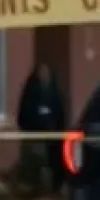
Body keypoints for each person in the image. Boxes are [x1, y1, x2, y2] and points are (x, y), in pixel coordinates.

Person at [16, 60, 67, 192]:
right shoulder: (31, 91)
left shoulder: (54, 92)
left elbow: (60, 112)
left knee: (55, 160)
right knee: (35, 162)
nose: (44, 76)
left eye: (46, 73)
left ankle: (54, 186)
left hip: (52, 136)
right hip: (35, 134)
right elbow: (24, 112)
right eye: (41, 73)